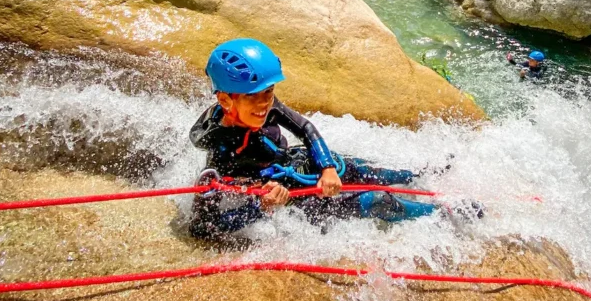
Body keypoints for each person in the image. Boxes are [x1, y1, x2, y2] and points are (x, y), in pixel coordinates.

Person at [187, 38, 443, 239]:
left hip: (294, 164)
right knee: (377, 200)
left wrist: (328, 168)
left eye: (269, 91)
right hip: (295, 201)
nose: (264, 103)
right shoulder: (221, 150)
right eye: (254, 96)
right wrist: (260, 207)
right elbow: (201, 227)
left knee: (361, 168)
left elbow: (305, 128)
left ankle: (419, 176)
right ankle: (444, 215)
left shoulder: (265, 105)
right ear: (225, 100)